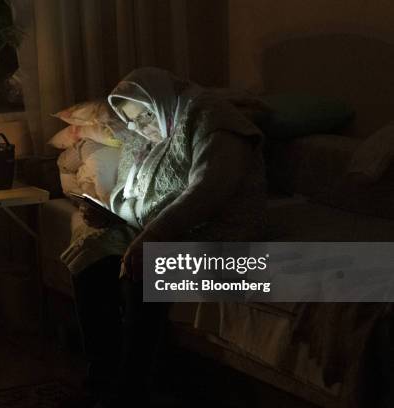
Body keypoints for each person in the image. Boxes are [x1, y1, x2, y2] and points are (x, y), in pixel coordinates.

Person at [60, 68, 266, 407]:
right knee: (94, 259)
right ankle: (102, 378)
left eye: (141, 117)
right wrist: (113, 214)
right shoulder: (152, 134)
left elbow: (209, 191)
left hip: (218, 232)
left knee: (145, 270)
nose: (138, 128)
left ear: (157, 101)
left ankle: (132, 389)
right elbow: (140, 199)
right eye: (132, 123)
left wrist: (152, 236)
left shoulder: (210, 118)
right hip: (167, 229)